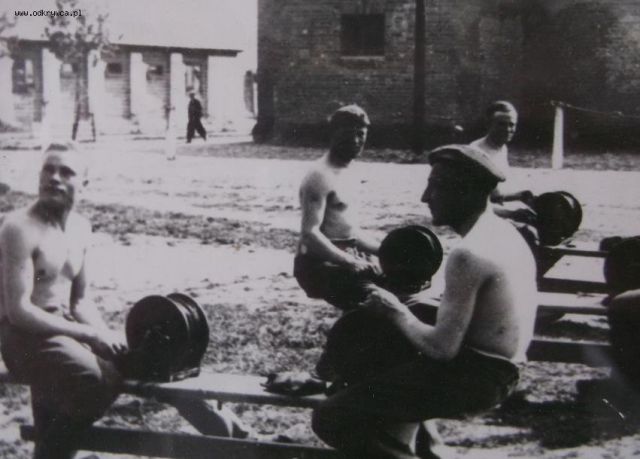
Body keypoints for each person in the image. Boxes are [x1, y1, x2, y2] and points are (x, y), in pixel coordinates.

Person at [312, 144, 538, 458]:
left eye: (436, 187)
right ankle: (428, 448)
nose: (425, 197)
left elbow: (441, 348)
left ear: (465, 191)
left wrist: (394, 309)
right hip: (499, 370)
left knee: (331, 417)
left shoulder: (469, 253)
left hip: (478, 376)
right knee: (371, 372)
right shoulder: (504, 234)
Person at [0, 142, 127, 459]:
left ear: (84, 182)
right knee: (95, 379)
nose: (54, 178)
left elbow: (79, 301)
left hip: (62, 332)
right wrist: (89, 335)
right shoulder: (18, 227)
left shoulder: (82, 229)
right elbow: (19, 311)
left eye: (66, 171)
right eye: (48, 169)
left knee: (130, 360)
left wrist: (105, 335)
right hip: (22, 336)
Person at [294, 104, 381, 310]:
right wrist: (350, 262)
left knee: (399, 284)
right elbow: (310, 234)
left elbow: (348, 231)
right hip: (317, 263)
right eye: (348, 134)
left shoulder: (349, 172)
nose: (355, 141)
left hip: (345, 255)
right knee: (376, 300)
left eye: (360, 134)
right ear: (332, 134)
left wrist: (385, 250)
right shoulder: (319, 175)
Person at [470, 101, 535, 224]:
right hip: (479, 222)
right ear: (488, 124)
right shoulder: (475, 153)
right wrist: (511, 214)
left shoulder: (501, 147)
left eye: (512, 125)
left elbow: (494, 195)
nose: (507, 129)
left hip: (495, 212)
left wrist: (520, 195)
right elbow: (473, 206)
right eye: (501, 124)